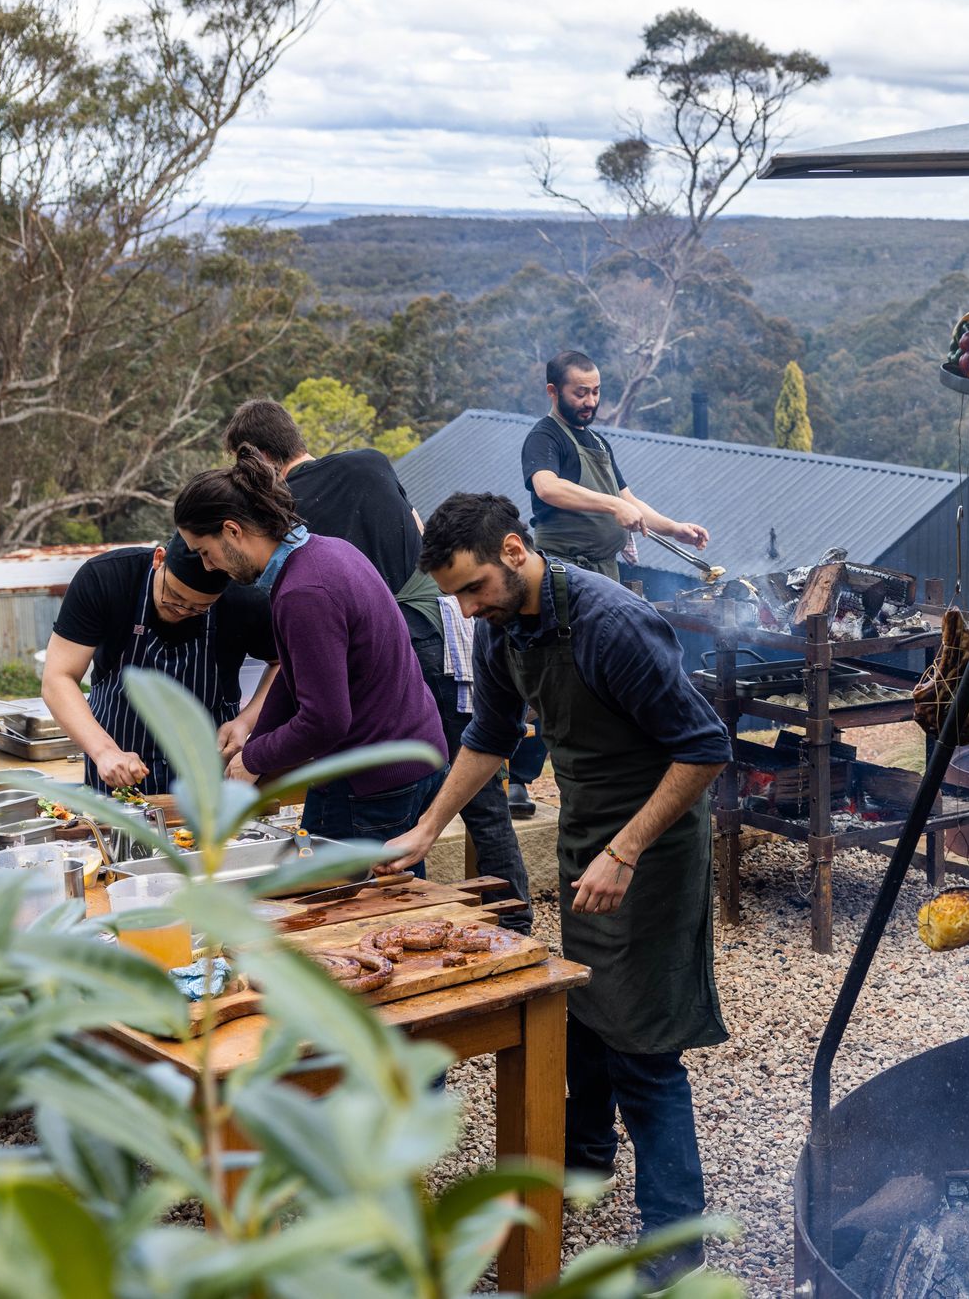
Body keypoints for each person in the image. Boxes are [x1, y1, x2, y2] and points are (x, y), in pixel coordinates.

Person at [382, 493, 729, 1269]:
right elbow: (489, 736)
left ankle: (677, 1245)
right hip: (586, 837)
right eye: (454, 598)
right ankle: (585, 1164)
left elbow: (706, 747)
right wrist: (427, 829)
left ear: (513, 550)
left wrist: (628, 849)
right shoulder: (503, 629)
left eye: (472, 589)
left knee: (644, 1046)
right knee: (584, 1009)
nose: (467, 609)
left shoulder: (611, 624)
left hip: (654, 845)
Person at [224, 399, 532, 929]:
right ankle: (512, 919)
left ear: (260, 462)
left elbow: (318, 697)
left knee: (397, 797)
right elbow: (416, 529)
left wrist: (256, 749)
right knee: (474, 785)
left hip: (399, 643)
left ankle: (435, 916)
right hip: (444, 627)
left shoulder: (283, 518)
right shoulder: (370, 462)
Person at [173, 449, 447, 843]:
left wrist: (255, 758)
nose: (210, 567)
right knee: (399, 894)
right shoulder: (325, 551)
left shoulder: (304, 593)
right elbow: (296, 676)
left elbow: (326, 720)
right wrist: (253, 746)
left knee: (345, 901)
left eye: (205, 552)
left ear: (232, 531)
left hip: (371, 776)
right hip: (413, 752)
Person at [41, 537, 279, 792]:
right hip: (118, 765)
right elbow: (58, 678)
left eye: (198, 608)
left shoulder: (245, 598)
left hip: (209, 774)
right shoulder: (106, 578)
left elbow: (283, 664)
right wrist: (104, 751)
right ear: (159, 559)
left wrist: (245, 722)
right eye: (173, 597)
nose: (181, 610)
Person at [525, 351, 709, 581]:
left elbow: (628, 501)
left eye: (596, 391)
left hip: (604, 573)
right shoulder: (545, 436)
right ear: (553, 391)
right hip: (565, 572)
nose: (591, 402)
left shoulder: (599, 443)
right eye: (580, 393)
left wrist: (673, 528)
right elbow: (547, 488)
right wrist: (613, 506)